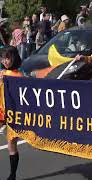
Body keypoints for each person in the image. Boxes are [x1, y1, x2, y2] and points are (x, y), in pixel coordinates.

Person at [0, 46, 24, 180]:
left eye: (7, 58)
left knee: (11, 144)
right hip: (1, 110)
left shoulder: (19, 75)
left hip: (13, 114)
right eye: (2, 58)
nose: (4, 61)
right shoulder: (2, 72)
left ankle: (12, 174)